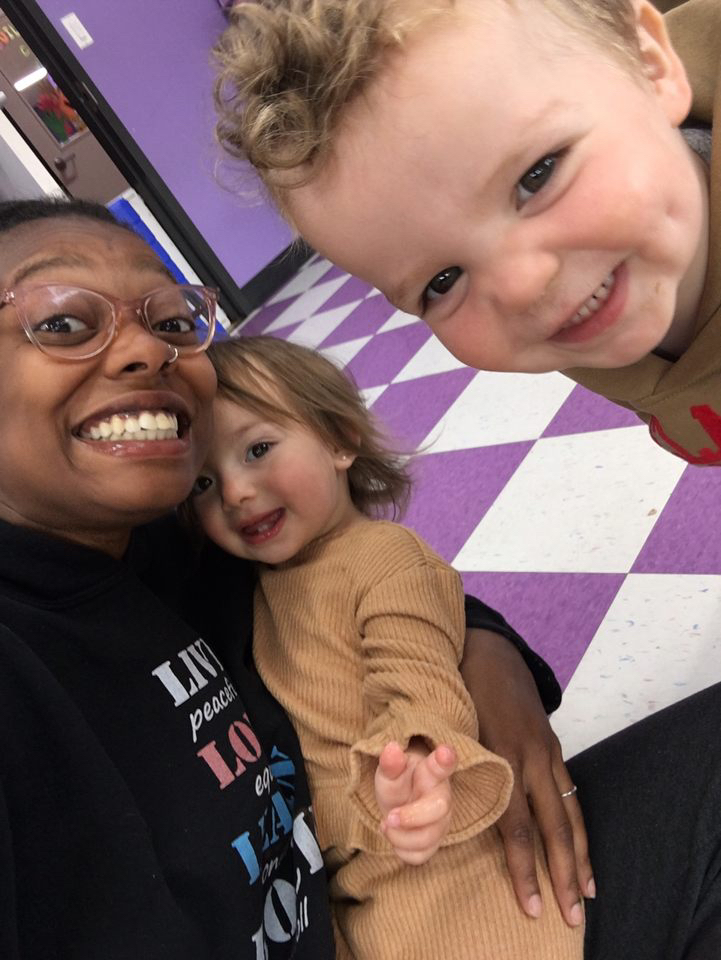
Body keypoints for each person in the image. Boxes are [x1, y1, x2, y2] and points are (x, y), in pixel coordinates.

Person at [0, 195, 585, 957]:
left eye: (172, 319)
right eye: (63, 322)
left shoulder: (172, 548)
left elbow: (374, 585)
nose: (146, 349)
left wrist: (489, 668)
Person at [186, 335, 585, 959]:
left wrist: (412, 762)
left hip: (452, 881)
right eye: (203, 482)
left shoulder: (385, 558)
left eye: (259, 449)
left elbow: (417, 674)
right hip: (357, 893)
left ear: (341, 440)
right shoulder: (258, 588)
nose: (234, 492)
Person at [212, 0, 721, 466]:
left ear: (649, 66)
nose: (521, 287)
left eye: (537, 176)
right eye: (443, 281)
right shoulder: (587, 310)